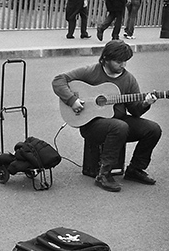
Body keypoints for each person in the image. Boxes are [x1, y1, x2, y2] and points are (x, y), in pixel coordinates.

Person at [52, 40, 162, 193]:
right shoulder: (91, 71)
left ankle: (135, 169)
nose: (123, 65)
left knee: (153, 129)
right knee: (119, 126)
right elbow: (58, 80)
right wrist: (72, 100)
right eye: (118, 61)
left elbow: (135, 111)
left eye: (125, 61)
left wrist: (145, 103)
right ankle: (103, 175)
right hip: (91, 125)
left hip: (118, 123)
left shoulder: (128, 79)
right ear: (106, 59)